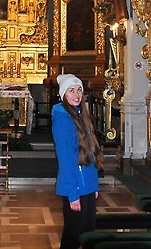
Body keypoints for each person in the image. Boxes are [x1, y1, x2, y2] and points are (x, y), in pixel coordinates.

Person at [52, 74, 102, 249]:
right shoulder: (63, 120)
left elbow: (90, 155)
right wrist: (73, 194)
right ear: (63, 94)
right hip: (75, 187)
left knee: (88, 233)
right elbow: (66, 161)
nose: (76, 94)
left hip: (86, 185)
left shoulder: (80, 115)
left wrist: (93, 186)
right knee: (73, 236)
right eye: (71, 90)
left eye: (79, 90)